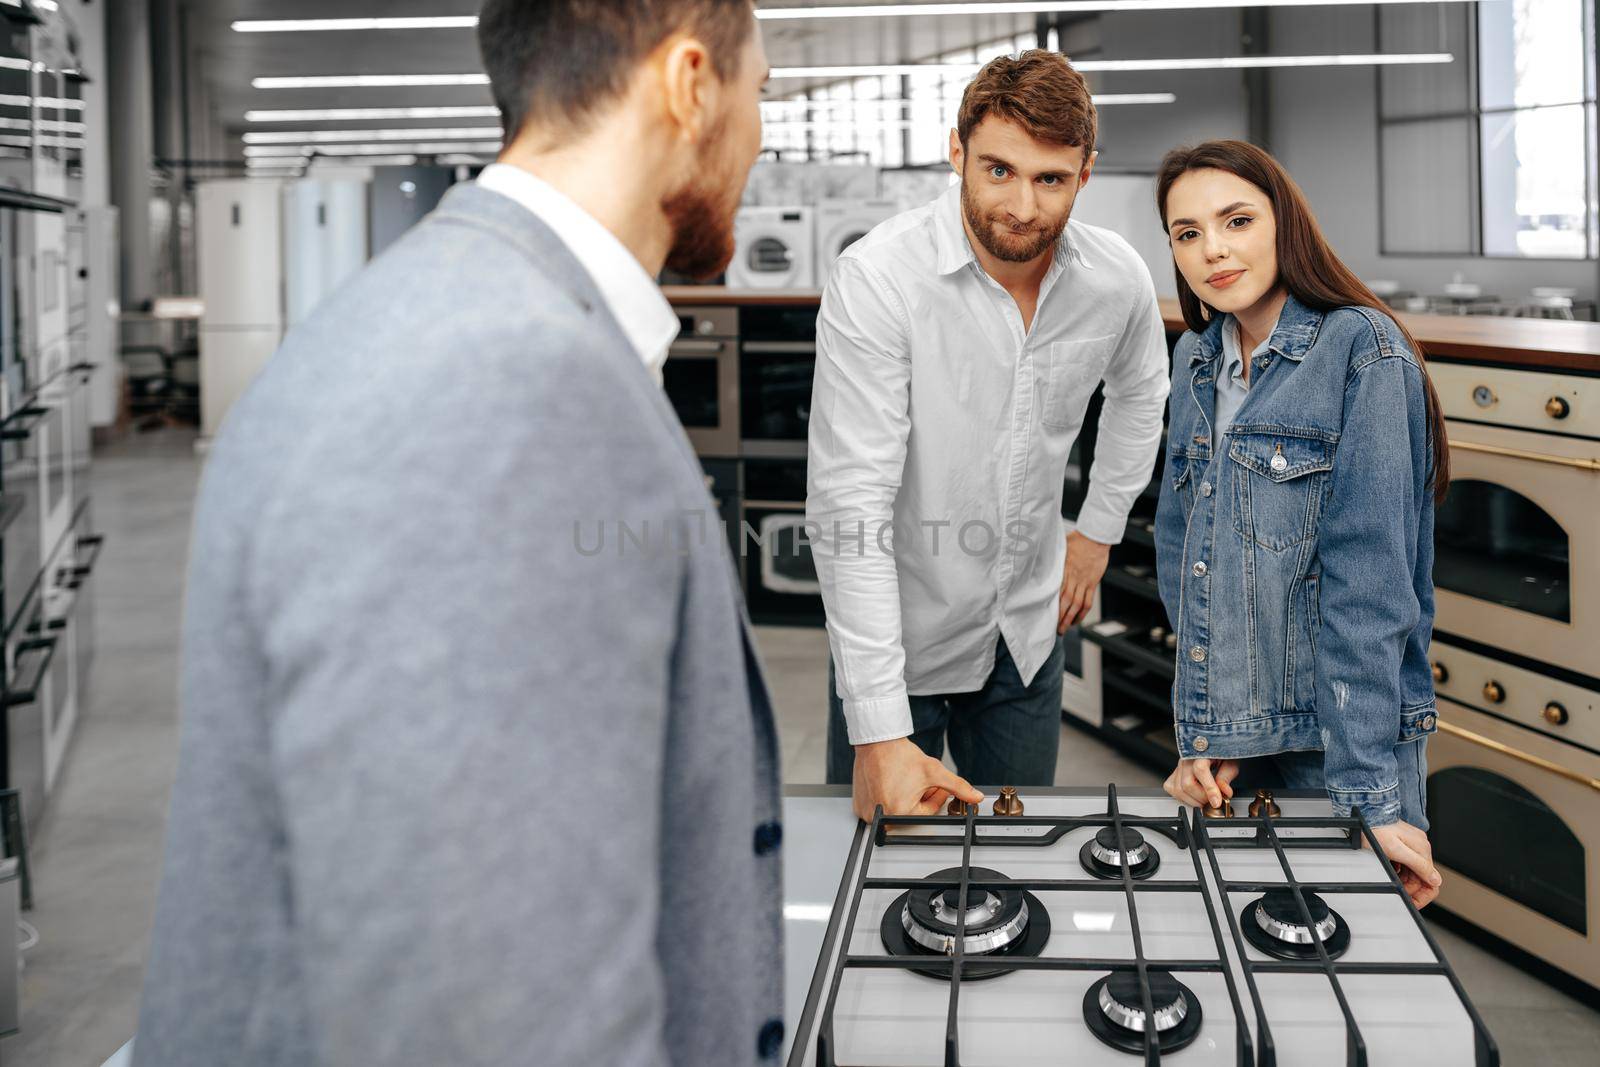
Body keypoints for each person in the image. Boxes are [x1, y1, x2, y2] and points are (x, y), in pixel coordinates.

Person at [134, 2, 786, 1064]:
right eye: (761, 96)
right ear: (689, 84)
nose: (758, 138)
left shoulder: (452, 310)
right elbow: (495, 1018)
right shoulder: (508, 378)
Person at [807, 51, 1171, 822]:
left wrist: (1098, 532)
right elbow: (850, 502)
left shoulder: (1116, 280)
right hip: (898, 643)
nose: (1023, 206)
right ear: (957, 152)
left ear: (1086, 172)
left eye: (1051, 179)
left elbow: (1142, 393)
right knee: (882, 883)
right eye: (998, 170)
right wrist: (876, 725)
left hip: (1026, 638)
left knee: (1017, 864)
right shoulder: (879, 280)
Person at [1153, 140, 1447, 909]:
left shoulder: (1363, 352)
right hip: (1241, 749)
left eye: (1236, 220)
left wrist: (1367, 797)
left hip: (1341, 752)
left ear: (1284, 221)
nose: (1211, 249)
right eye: (1186, 233)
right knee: (1253, 980)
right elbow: (1186, 556)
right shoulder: (1195, 357)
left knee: (1351, 990)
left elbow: (1371, 590)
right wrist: (1207, 737)